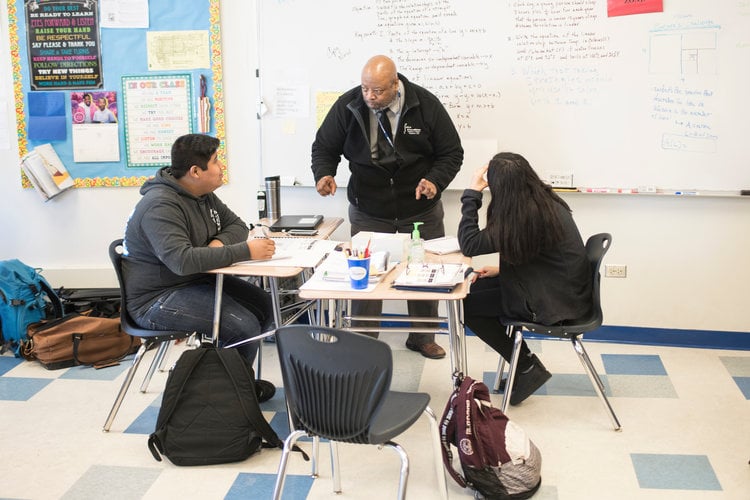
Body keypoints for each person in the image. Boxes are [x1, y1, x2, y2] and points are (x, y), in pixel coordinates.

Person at [311, 55, 463, 359]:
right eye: (366, 89)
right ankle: (365, 339)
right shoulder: (349, 104)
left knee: (423, 270)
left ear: (396, 84)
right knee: (365, 273)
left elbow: (451, 153)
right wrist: (324, 173)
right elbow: (324, 147)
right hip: (369, 205)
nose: (370, 96)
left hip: (419, 205)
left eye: (378, 91)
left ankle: (422, 337)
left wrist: (434, 180)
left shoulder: (425, 104)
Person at [122, 134, 277, 401]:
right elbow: (182, 261)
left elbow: (238, 226)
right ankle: (230, 398)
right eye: (216, 161)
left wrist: (216, 245)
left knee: (264, 305)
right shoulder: (160, 205)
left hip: (194, 280)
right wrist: (246, 251)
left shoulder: (202, 195)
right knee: (242, 326)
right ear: (195, 171)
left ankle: (232, 385)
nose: (221, 168)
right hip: (155, 299)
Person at [458, 152, 592, 405]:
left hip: (553, 303)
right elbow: (534, 253)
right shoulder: (541, 201)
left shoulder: (526, 214)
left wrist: (472, 192)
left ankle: (526, 366)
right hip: (559, 289)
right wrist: (501, 271)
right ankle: (525, 365)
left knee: (465, 306)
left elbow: (469, 244)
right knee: (472, 290)